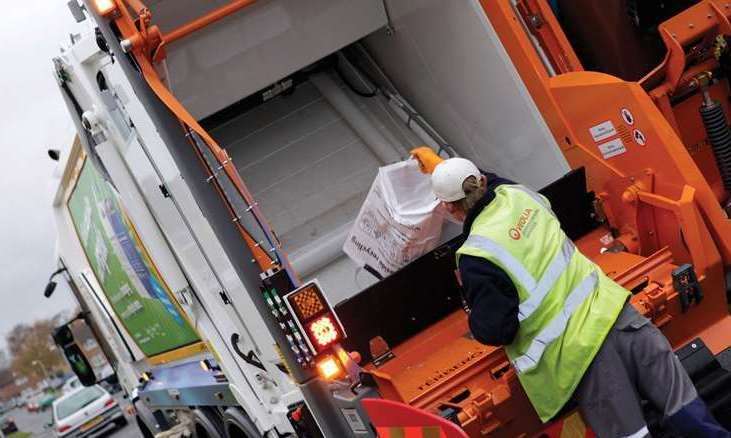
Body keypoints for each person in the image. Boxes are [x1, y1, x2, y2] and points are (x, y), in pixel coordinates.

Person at [429, 157, 729, 437]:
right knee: (685, 407)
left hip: (581, 356)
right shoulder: (518, 195)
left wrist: (474, 314)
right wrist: (446, 166)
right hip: (619, 316)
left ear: (449, 209)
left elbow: (498, 329)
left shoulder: (476, 255)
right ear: (480, 180)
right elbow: (491, 183)